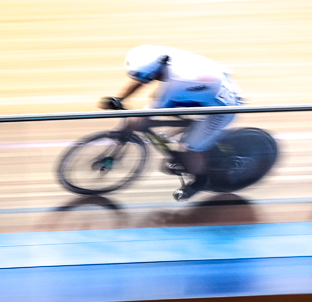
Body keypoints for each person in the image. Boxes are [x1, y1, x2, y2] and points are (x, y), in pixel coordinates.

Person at [100, 46, 240, 199]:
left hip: (223, 107)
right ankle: (194, 133)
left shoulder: (176, 83)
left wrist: (132, 125)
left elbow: (149, 112)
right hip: (210, 84)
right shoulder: (160, 57)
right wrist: (120, 98)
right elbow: (144, 79)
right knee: (161, 106)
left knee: (188, 146)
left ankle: (200, 181)